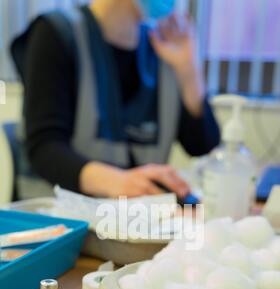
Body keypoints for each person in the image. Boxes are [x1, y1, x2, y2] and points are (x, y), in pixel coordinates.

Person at [12, 0, 220, 199]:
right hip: (61, 217)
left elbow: (201, 145)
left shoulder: (163, 45)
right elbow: (44, 147)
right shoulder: (57, 33)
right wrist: (119, 182)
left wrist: (189, 70)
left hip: (131, 219)